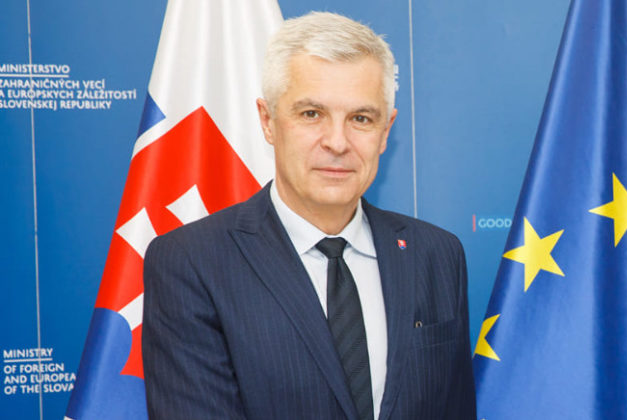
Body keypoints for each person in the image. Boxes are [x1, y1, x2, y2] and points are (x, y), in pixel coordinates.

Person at [142, 11, 476, 420]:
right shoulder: (191, 262)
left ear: (386, 130)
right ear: (268, 121)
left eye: (360, 119)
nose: (337, 142)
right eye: (311, 114)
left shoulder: (436, 255)